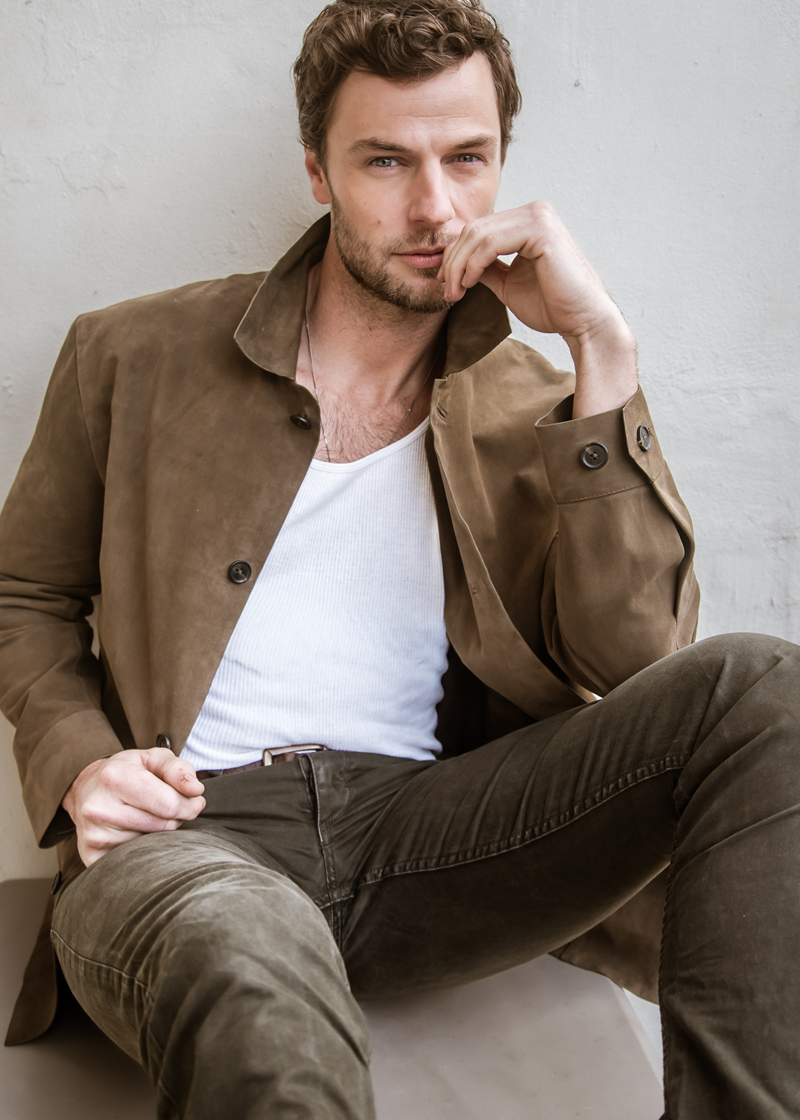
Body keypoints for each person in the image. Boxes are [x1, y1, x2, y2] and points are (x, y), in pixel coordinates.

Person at [0, 0, 797, 1116]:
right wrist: (82, 765)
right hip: (193, 836)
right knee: (252, 975)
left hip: (430, 830)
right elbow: (23, 594)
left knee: (763, 689)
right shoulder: (131, 354)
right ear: (316, 172)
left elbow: (637, 665)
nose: (435, 208)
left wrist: (599, 347)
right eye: (386, 160)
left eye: (466, 158)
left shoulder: (541, 405)